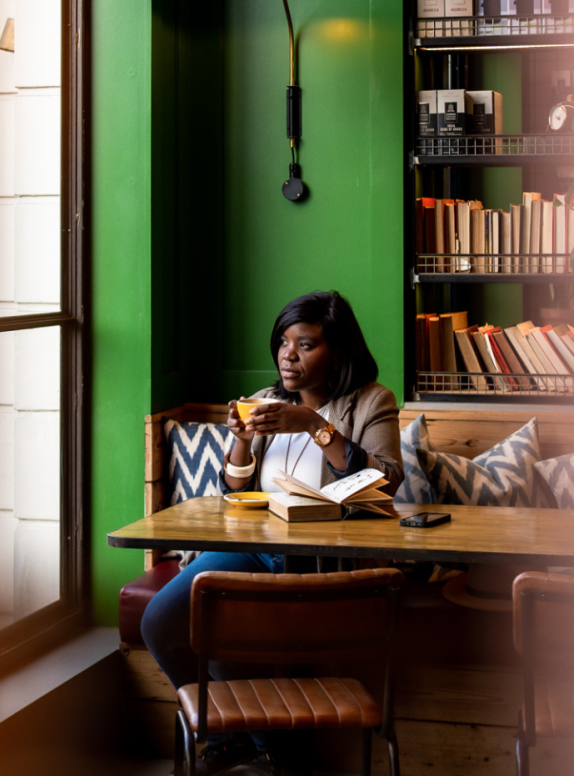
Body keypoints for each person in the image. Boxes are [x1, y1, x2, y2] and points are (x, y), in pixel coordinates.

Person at [138, 290, 402, 774]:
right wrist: (240, 442)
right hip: (256, 551)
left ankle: (273, 750)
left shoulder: (370, 402)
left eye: (305, 344)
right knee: (160, 621)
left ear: (338, 351)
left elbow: (386, 480)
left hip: (325, 561)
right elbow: (232, 487)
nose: (288, 354)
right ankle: (242, 737)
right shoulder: (264, 402)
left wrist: (314, 426)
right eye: (283, 342)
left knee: (232, 623)